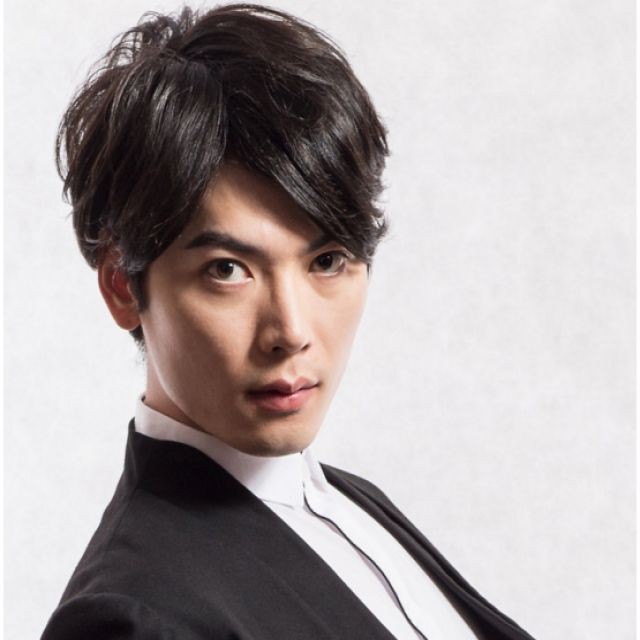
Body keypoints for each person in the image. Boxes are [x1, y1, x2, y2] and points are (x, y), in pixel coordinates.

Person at [41, 4, 535, 639]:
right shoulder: (133, 616)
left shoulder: (349, 503)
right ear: (122, 286)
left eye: (327, 261)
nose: (292, 330)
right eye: (227, 270)